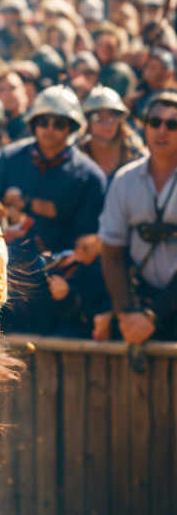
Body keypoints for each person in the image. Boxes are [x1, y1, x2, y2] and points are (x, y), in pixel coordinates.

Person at [0, 86, 106, 334]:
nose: (49, 129)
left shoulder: (89, 176)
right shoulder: (10, 158)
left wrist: (69, 284)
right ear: (33, 124)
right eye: (43, 122)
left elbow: (89, 241)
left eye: (59, 123)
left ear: (71, 128)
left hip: (61, 286)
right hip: (7, 280)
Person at [95, 90, 177, 344]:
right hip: (138, 301)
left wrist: (153, 316)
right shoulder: (124, 180)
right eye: (155, 122)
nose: (162, 130)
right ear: (144, 128)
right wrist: (126, 314)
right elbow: (111, 252)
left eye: (172, 124)